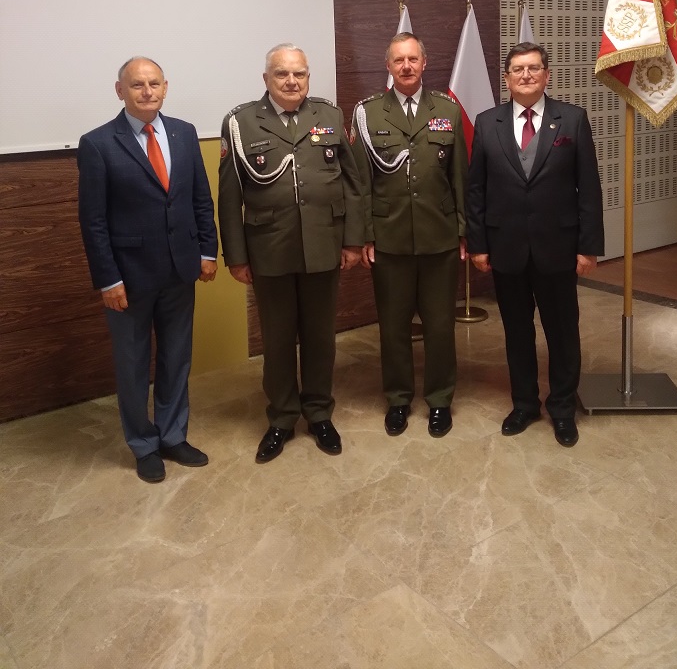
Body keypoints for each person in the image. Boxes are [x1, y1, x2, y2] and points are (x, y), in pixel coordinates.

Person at [218, 44, 365, 463]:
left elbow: (352, 183)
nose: (291, 81)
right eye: (282, 73)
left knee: (320, 336)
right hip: (270, 248)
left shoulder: (329, 115)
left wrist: (353, 240)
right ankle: (282, 416)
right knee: (278, 338)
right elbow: (229, 196)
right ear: (266, 79)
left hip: (323, 244)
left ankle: (318, 412)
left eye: (299, 74)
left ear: (308, 77)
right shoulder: (240, 122)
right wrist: (236, 256)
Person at [78, 57, 218, 483]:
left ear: (165, 87)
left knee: (176, 358)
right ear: (119, 90)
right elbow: (93, 220)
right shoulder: (98, 143)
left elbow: (200, 198)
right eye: (137, 85)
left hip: (180, 269)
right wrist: (108, 279)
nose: (147, 91)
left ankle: (173, 436)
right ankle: (143, 444)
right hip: (129, 278)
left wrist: (208, 251)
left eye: (154, 83)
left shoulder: (184, 133)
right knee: (133, 364)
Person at [467, 42, 604, 447]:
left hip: (558, 247)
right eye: (517, 69)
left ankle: (561, 408)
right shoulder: (487, 122)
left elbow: (589, 188)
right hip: (506, 248)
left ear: (547, 75)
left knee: (562, 332)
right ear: (507, 78)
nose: (525, 75)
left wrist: (588, 246)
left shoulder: (572, 119)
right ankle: (524, 404)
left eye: (533, 68)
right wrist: (478, 244)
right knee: (517, 332)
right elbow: (476, 190)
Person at [351, 32, 468, 438]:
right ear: (388, 65)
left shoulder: (447, 110)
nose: (406, 66)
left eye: (413, 59)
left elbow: (459, 176)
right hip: (390, 238)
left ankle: (440, 399)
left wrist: (463, 230)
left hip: (440, 237)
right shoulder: (368, 113)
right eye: (398, 60)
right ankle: (398, 398)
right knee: (394, 327)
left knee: (440, 326)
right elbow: (361, 182)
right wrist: (366, 234)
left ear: (424, 63)